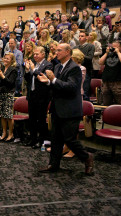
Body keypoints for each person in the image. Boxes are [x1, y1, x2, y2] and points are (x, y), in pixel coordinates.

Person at [37, 44, 94, 175]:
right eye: (55, 50)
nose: (55, 52)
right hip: (57, 107)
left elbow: (71, 87)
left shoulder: (75, 68)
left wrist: (53, 79)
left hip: (70, 109)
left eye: (59, 50)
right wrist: (47, 82)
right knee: (56, 138)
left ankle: (87, 157)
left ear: (68, 52)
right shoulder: (57, 66)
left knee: (70, 139)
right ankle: (53, 164)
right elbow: (56, 86)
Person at [24, 46, 53, 149]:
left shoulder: (48, 65)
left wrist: (33, 69)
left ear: (43, 54)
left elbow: (42, 77)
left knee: (40, 119)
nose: (35, 56)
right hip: (32, 94)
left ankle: (41, 141)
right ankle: (32, 139)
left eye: (37, 54)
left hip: (42, 96)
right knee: (31, 119)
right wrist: (27, 71)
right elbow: (28, 79)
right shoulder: (33, 64)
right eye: (34, 54)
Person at [62, 49, 86, 158]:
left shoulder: (81, 68)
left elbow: (75, 83)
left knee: (73, 124)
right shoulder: (66, 67)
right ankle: (66, 146)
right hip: (66, 96)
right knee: (66, 124)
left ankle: (73, 149)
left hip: (76, 97)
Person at [0, 52, 18, 143]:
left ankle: (10, 134)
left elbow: (10, 83)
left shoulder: (13, 70)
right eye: (5, 58)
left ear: (12, 60)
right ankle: (4, 133)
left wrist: (2, 76)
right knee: (2, 115)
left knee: (8, 115)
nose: (5, 60)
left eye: (8, 58)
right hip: (1, 93)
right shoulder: (2, 68)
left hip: (8, 93)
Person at [99, 40, 121, 106]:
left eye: (116, 47)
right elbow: (100, 62)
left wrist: (118, 52)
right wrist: (106, 53)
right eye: (113, 47)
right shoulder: (109, 54)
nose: (114, 48)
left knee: (120, 103)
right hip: (106, 82)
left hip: (119, 83)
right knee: (106, 103)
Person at [73, 32, 95, 101]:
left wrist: (80, 55)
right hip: (75, 70)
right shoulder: (75, 47)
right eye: (79, 36)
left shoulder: (90, 46)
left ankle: (86, 106)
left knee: (85, 90)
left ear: (87, 37)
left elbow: (90, 58)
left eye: (82, 36)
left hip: (86, 70)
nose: (80, 37)